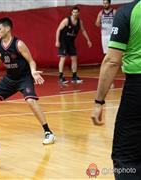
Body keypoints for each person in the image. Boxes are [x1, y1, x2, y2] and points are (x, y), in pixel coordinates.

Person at [0, 17, 56, 144]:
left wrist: (33, 72)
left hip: (24, 78)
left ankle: (48, 132)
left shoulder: (19, 44)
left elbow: (31, 61)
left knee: (31, 101)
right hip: (10, 78)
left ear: (7, 28)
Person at [91, 0, 141, 179]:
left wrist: (99, 101)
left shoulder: (127, 12)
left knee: (126, 156)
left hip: (137, 87)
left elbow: (112, 61)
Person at [55, 6, 92, 84]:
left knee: (74, 58)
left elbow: (83, 30)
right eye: (73, 12)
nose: (75, 14)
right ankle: (61, 76)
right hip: (63, 41)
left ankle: (74, 76)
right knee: (63, 58)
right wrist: (57, 41)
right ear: (72, 12)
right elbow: (58, 29)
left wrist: (88, 40)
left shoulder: (79, 22)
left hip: (71, 42)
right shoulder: (66, 20)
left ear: (79, 13)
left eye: (76, 12)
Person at [95, 0, 117, 89]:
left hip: (112, 36)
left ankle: (112, 80)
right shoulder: (101, 13)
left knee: (112, 57)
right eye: (103, 3)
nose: (105, 5)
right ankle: (109, 81)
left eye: (106, 3)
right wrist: (99, 22)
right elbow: (96, 24)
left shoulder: (114, 12)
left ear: (109, 3)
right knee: (107, 57)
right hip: (104, 36)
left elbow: (118, 22)